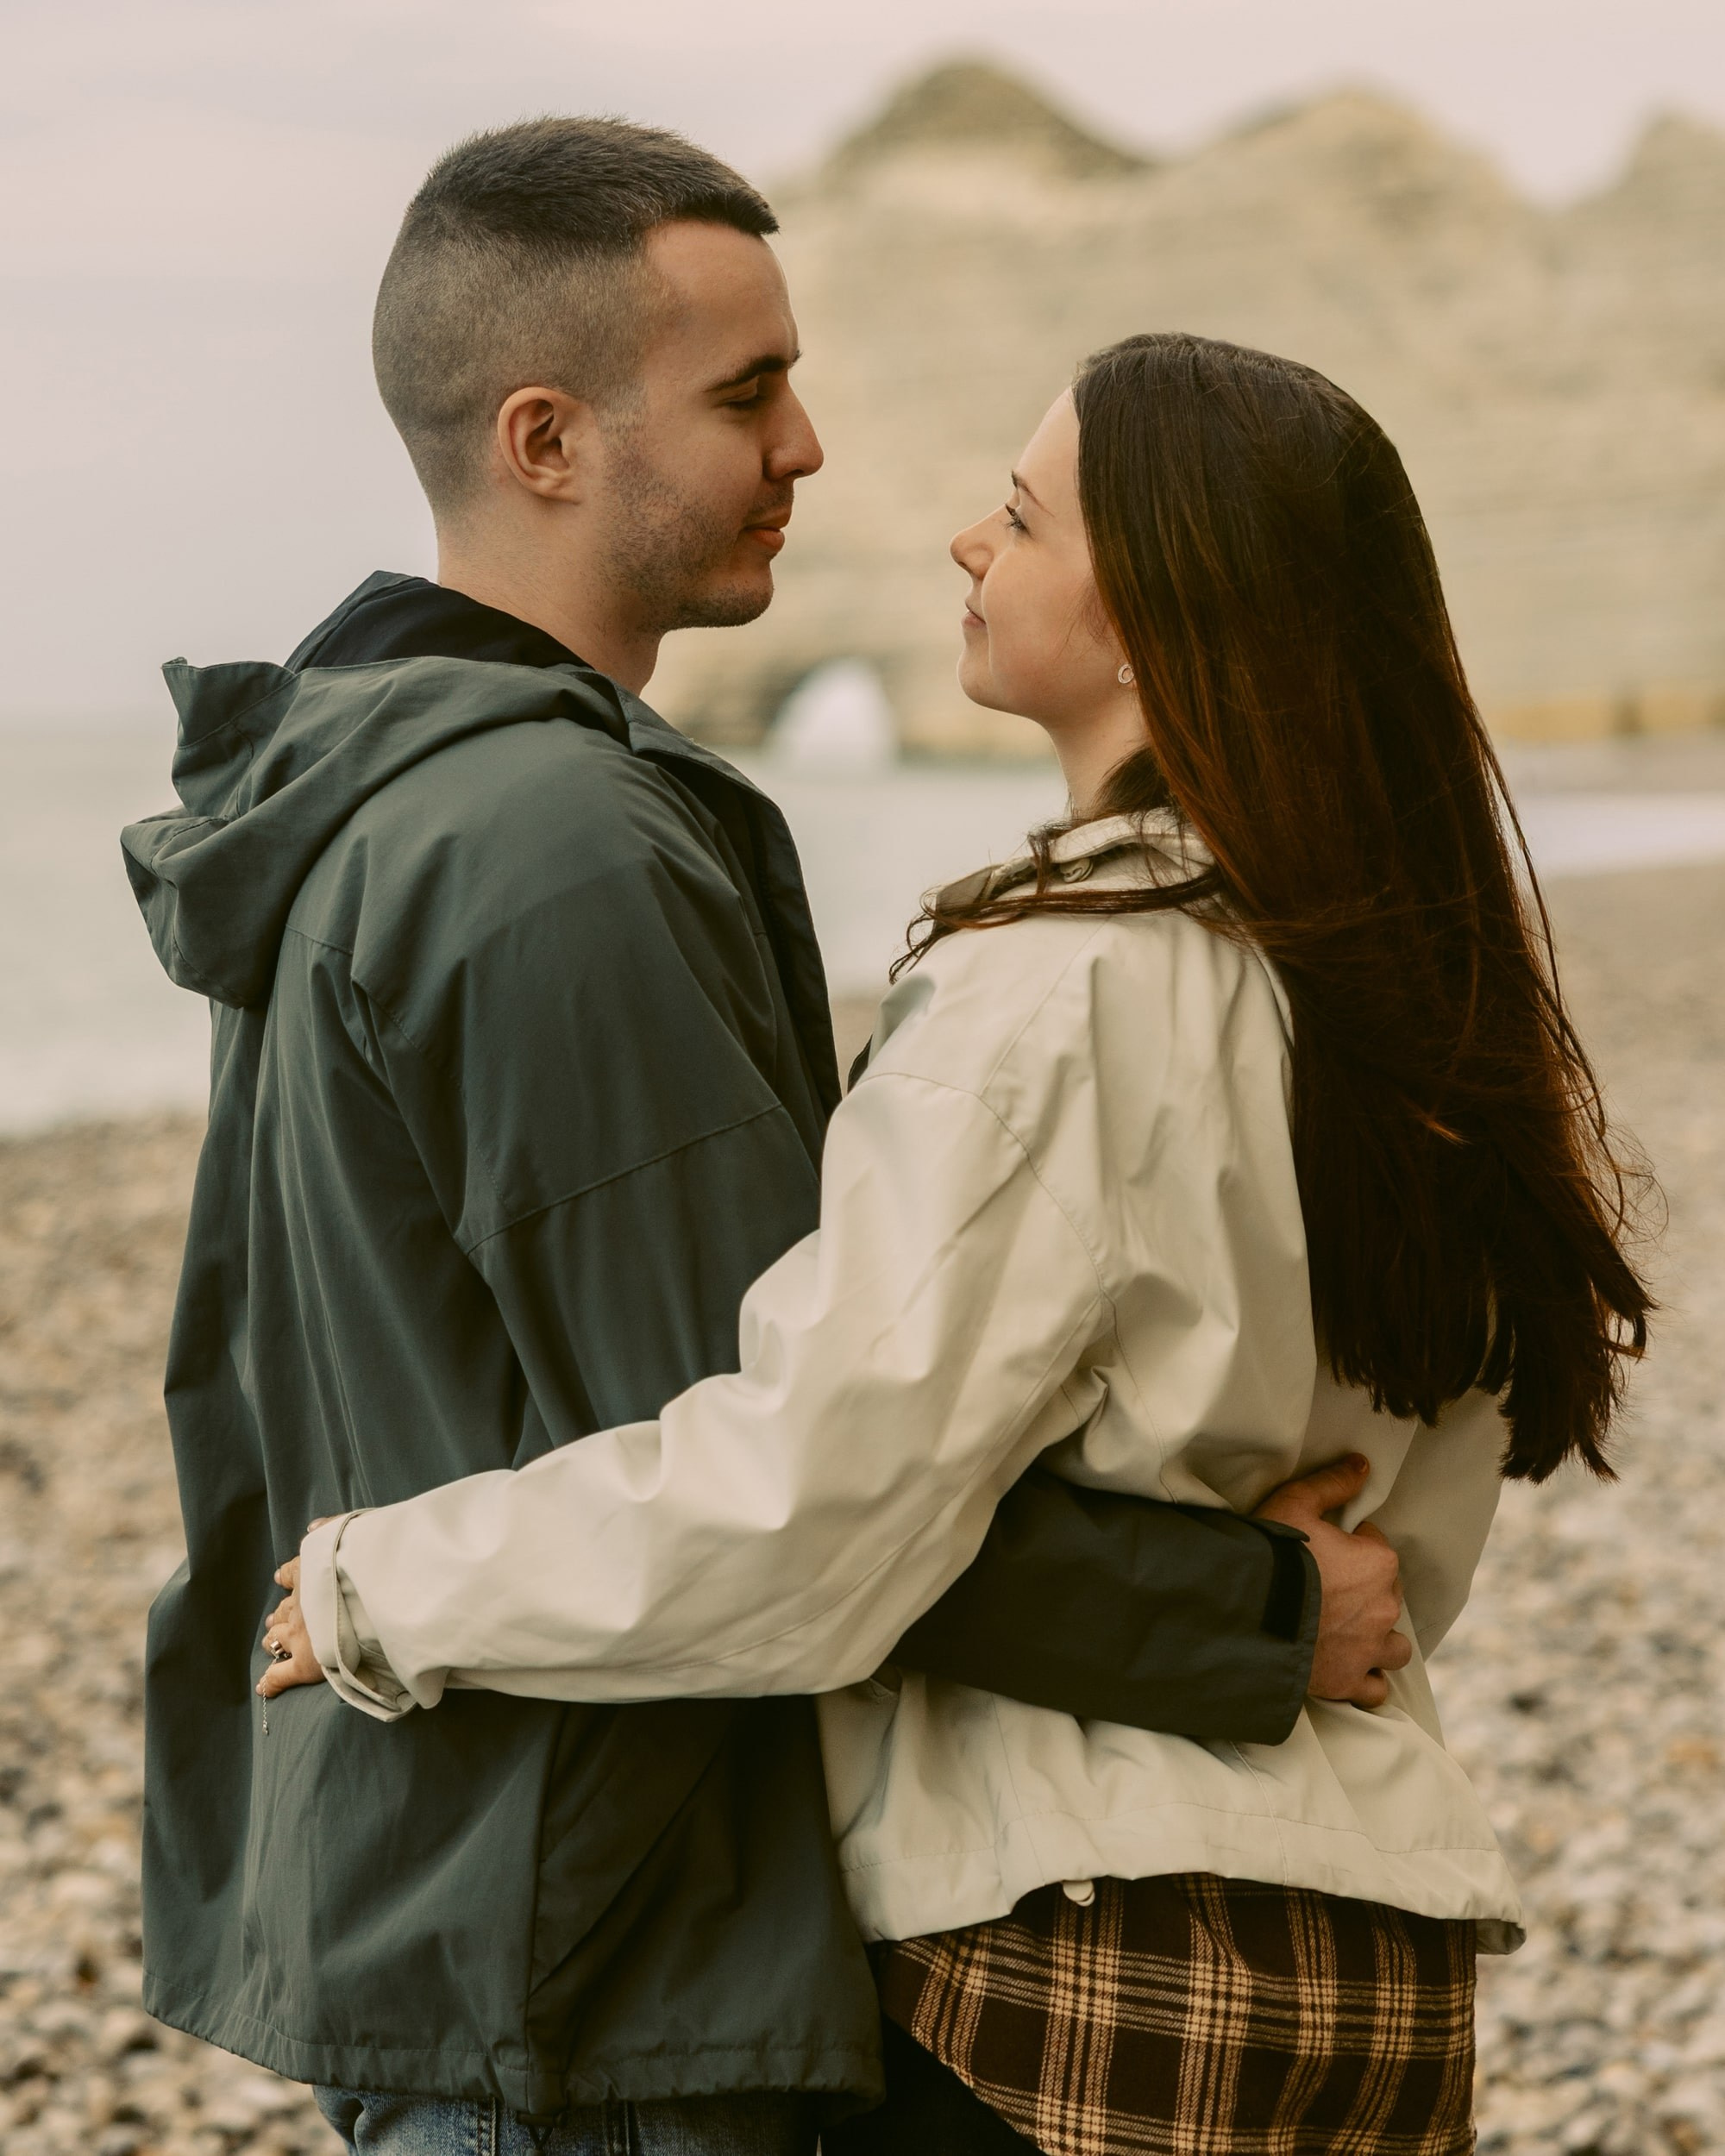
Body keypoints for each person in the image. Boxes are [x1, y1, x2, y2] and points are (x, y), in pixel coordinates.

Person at [122, 122, 1403, 2156]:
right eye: (746, 394)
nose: (807, 445)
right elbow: (784, 1460)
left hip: (462, 1883)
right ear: (545, 439)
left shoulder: (371, 798)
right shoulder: (552, 853)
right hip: (604, 1947)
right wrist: (1246, 1612)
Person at [260, 331, 1653, 2155]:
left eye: (1019, 515)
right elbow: (1400, 1566)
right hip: (1379, 1968)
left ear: (1161, 606)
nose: (961, 544)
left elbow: (811, 1503)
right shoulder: (1418, 1004)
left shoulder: (1052, 989)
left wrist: (388, 1583)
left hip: (1079, 1967)